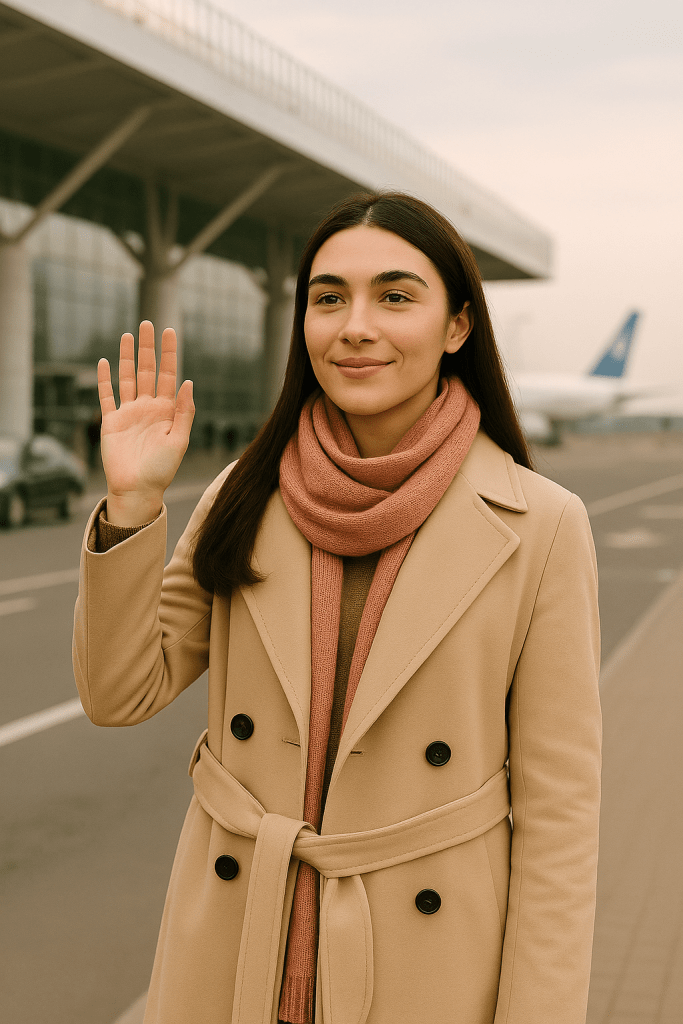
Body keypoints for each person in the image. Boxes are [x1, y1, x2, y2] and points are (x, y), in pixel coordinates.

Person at [73, 191, 601, 1024]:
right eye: (328, 299)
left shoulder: (540, 524)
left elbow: (559, 819)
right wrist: (134, 507)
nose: (355, 327)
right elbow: (118, 693)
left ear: (456, 326)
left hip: (426, 965)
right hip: (236, 943)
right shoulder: (243, 493)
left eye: (394, 296)